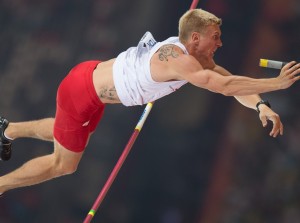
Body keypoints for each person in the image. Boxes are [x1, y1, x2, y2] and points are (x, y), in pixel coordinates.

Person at [0, 9, 299, 196]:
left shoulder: (194, 58)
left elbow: (232, 84)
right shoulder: (180, 62)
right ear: (195, 38)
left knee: (76, 134)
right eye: (215, 38)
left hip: (91, 80)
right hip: (81, 93)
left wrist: (261, 105)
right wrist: (277, 83)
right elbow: (223, 86)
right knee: (64, 164)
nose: (220, 44)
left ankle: (8, 130)